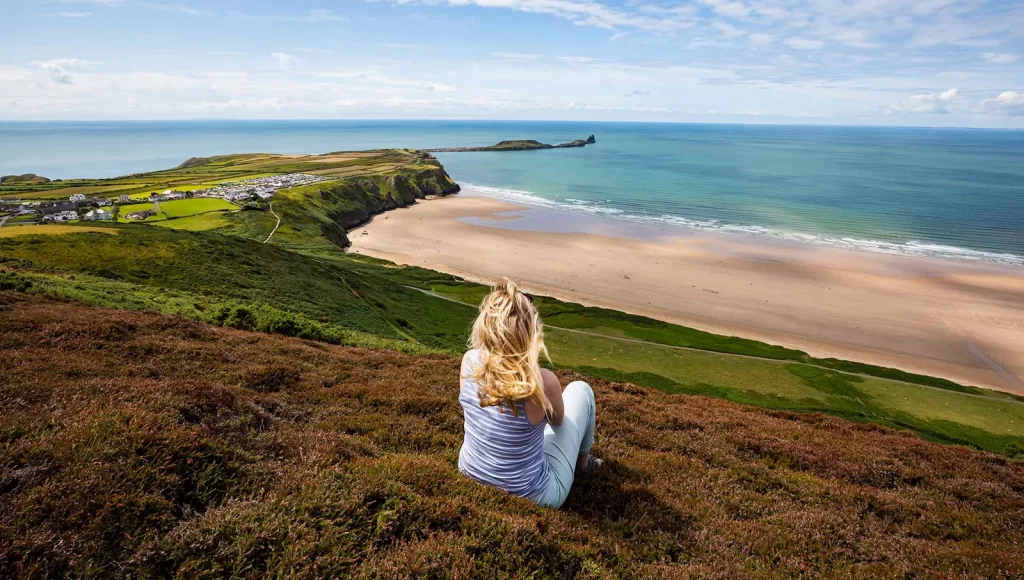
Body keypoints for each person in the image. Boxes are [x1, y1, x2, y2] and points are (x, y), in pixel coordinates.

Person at [458, 278, 601, 508]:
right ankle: (584, 465)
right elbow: (558, 422)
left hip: (470, 471)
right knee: (580, 390)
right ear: (531, 335)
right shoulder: (542, 382)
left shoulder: (469, 362)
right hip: (533, 495)